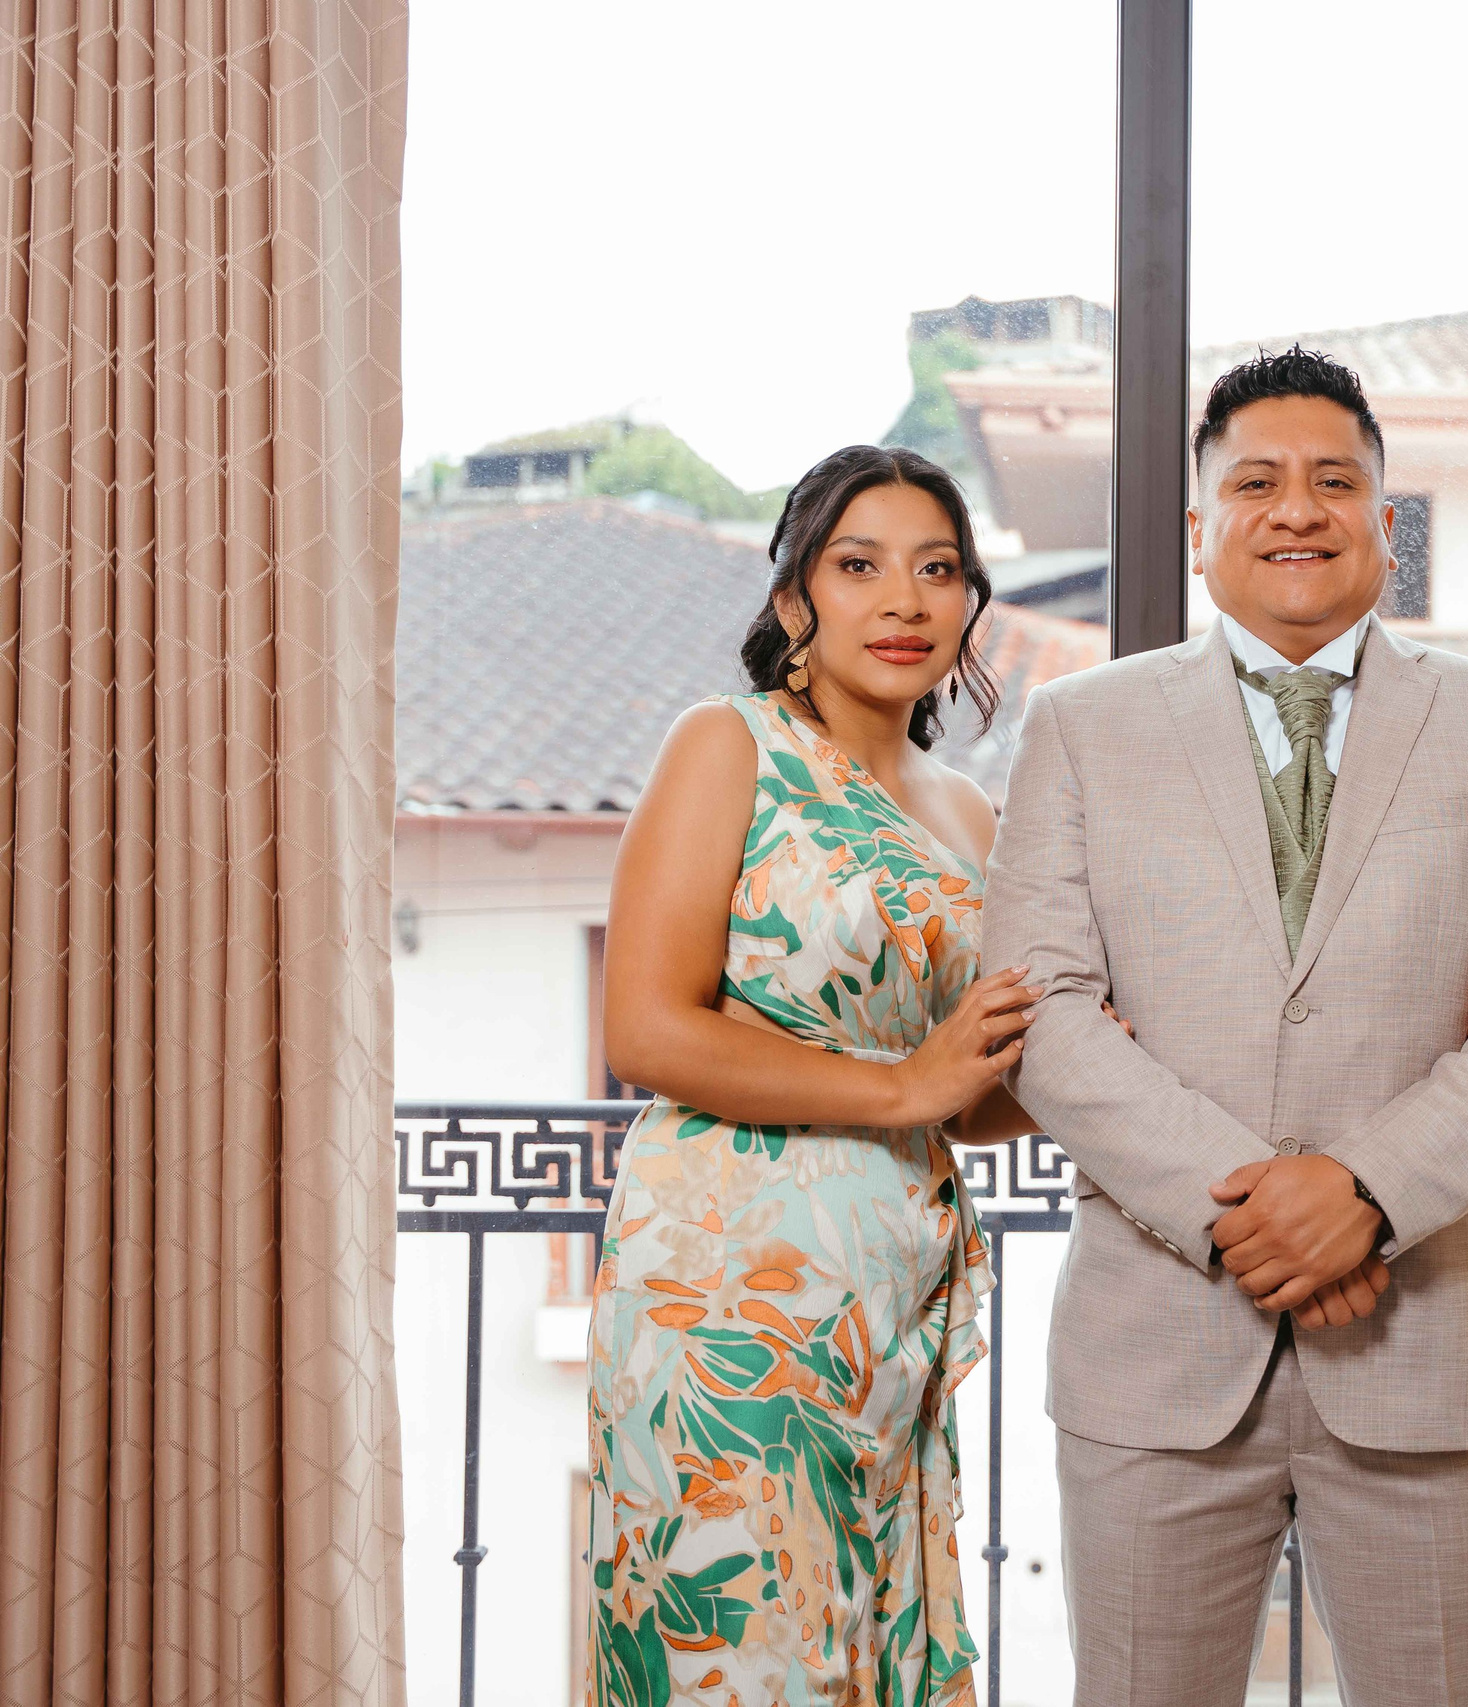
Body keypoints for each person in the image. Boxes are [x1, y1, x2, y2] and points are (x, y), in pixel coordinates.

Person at [981, 347, 1468, 1707]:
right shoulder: (1079, 728)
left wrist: (1366, 1195)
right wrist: (1251, 1213)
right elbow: (1040, 1014)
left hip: (1426, 1343)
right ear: (1202, 527)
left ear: (1388, 525)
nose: (1298, 508)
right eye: (1256, 481)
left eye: (1337, 480)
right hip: (1155, 1356)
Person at [585, 445, 1040, 1707]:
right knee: (744, 1650)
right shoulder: (728, 744)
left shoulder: (967, 812)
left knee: (865, 1641)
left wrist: (1099, 1028)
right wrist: (904, 1090)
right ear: (797, 600)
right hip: (728, 1287)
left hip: (893, 1290)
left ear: (967, 604)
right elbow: (648, 1030)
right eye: (860, 566)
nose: (904, 600)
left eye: (937, 570)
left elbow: (984, 1092)